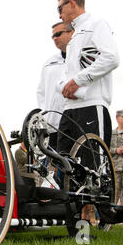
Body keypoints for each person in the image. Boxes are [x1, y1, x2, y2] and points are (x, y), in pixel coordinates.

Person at [55, 0, 120, 154]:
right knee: (63, 164)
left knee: (93, 164)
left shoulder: (96, 24)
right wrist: (64, 85)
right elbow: (70, 72)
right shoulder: (74, 36)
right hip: (69, 109)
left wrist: (78, 80)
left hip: (91, 104)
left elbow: (111, 58)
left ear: (71, 3)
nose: (60, 16)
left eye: (60, 10)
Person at [37, 22, 73, 150]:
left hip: (74, 123)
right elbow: (41, 92)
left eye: (58, 34)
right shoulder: (49, 63)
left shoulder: (80, 58)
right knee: (56, 165)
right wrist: (45, 115)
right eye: (53, 36)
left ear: (71, 33)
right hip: (53, 125)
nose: (55, 38)